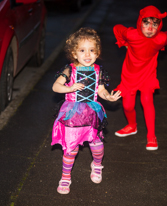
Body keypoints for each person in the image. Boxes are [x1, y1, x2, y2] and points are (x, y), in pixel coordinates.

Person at [51, 27, 121, 194]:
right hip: (72, 114)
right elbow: (55, 87)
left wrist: (108, 97)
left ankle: (97, 164)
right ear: (74, 53)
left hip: (91, 113)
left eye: (92, 50)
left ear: (97, 53)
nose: (87, 55)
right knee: (71, 149)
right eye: (82, 50)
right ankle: (65, 177)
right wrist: (70, 88)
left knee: (97, 146)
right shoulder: (69, 70)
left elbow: (100, 90)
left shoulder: (98, 71)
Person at [113, 5, 167, 150]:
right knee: (128, 105)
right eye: (146, 23)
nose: (150, 28)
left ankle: (151, 136)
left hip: (148, 74)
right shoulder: (131, 34)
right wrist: (125, 43)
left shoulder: (161, 38)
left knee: (146, 101)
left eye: (155, 24)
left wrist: (162, 44)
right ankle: (132, 126)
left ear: (159, 26)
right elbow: (117, 27)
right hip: (129, 76)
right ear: (140, 22)